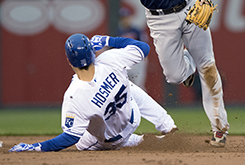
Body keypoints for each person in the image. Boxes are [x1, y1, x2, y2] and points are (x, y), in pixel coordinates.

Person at [70, 0, 229, 147]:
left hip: (189, 9)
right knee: (174, 76)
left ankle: (219, 128)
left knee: (208, 68)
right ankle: (187, 63)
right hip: (160, 20)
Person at [9, 33, 177, 152]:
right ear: (92, 51)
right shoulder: (110, 59)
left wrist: (37, 147)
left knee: (81, 141)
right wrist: (107, 40)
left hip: (111, 141)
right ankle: (166, 125)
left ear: (69, 61)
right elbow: (143, 47)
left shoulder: (74, 94)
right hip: (133, 118)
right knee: (128, 86)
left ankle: (136, 141)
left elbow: (70, 138)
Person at [118, 7, 149, 90]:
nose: (125, 20)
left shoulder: (136, 31)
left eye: (126, 18)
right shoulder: (118, 32)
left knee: (139, 86)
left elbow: (145, 44)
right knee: (126, 86)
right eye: (123, 18)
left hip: (137, 61)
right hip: (125, 62)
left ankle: (142, 103)